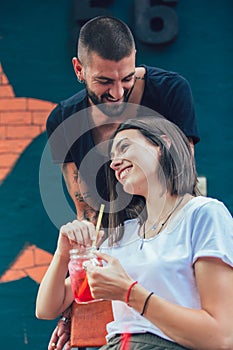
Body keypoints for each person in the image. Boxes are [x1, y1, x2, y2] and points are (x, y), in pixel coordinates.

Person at [45, 15, 199, 349]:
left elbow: (183, 185)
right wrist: (74, 309)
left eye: (126, 78)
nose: (117, 92)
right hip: (111, 259)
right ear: (78, 69)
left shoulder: (171, 92)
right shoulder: (63, 120)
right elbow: (86, 214)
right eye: (104, 82)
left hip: (169, 257)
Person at [36, 116, 233, 349]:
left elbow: (222, 337)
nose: (114, 163)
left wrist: (129, 293)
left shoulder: (203, 213)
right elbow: (46, 309)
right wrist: (63, 255)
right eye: (111, 158)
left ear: (163, 144)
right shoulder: (123, 234)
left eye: (124, 147)